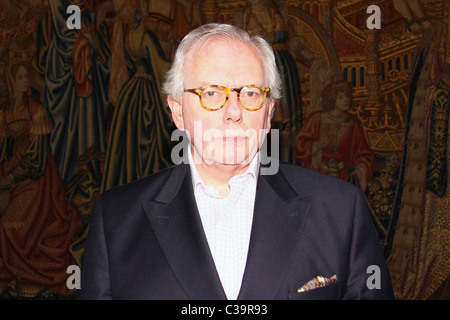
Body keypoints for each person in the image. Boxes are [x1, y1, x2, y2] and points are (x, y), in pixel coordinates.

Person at [78, 23, 393, 300]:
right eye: (212, 93)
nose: (233, 112)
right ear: (177, 111)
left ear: (268, 113)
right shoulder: (116, 220)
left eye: (251, 94)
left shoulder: (341, 210)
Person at [0, 63, 83, 297]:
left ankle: (28, 276)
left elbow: (37, 161)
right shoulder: (4, 113)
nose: (24, 81)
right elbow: (5, 152)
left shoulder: (36, 111)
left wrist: (8, 178)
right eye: (19, 77)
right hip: (16, 177)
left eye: (27, 77)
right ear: (11, 81)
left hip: (41, 181)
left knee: (10, 225)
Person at [294, 80, 376, 192]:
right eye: (341, 97)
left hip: (341, 178)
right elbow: (299, 145)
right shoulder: (316, 119)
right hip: (316, 175)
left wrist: (360, 169)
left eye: (347, 96)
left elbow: (363, 154)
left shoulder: (352, 124)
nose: (346, 99)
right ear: (332, 99)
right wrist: (318, 145)